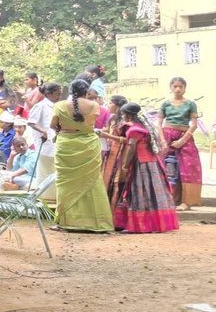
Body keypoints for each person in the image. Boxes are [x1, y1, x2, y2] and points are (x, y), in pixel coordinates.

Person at [102, 103, 180, 233]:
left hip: (141, 163)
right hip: (152, 163)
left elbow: (131, 147)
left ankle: (142, 224)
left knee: (139, 193)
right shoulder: (144, 126)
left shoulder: (133, 130)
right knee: (152, 193)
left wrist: (125, 164)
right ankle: (154, 223)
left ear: (127, 115)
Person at [51, 79, 112, 233]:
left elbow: (53, 125)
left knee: (65, 185)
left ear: (71, 90)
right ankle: (98, 223)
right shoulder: (95, 106)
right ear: (87, 92)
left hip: (66, 145)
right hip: (88, 145)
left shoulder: (59, 106)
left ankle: (65, 222)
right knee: (93, 182)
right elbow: (91, 122)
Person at [160, 77, 203, 209]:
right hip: (166, 136)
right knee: (164, 166)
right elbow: (158, 123)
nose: (178, 89)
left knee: (188, 167)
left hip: (185, 137)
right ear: (171, 88)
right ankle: (167, 199)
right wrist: (162, 140)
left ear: (185, 88)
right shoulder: (165, 104)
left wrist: (182, 141)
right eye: (175, 86)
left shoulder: (190, 104)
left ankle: (187, 202)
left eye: (181, 86)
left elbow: (194, 125)